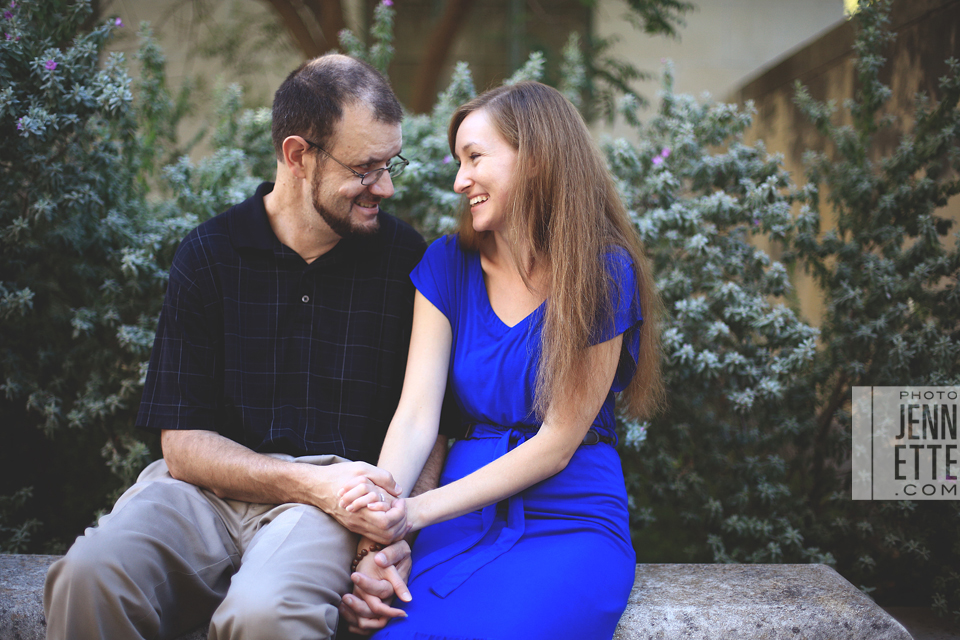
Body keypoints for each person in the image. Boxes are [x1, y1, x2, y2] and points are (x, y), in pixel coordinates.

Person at [43, 53, 449, 640]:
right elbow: (182, 446)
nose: (383, 186)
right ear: (297, 155)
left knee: (264, 615)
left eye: (391, 163)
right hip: (200, 495)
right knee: (87, 575)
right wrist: (309, 483)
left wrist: (389, 541)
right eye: (365, 168)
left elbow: (429, 423)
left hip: (328, 510)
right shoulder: (208, 254)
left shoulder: (406, 262)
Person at [337, 81, 664, 639]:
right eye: (458, 160)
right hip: (458, 514)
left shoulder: (604, 272)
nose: (460, 179)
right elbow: (416, 416)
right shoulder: (447, 264)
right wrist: (379, 538)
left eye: (475, 158)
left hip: (569, 516)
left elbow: (558, 443)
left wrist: (413, 515)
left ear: (535, 159)